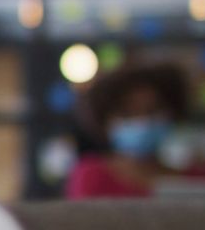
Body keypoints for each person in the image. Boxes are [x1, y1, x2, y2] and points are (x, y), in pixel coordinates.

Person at [67, 63, 196, 199]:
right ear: (105, 121)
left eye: (153, 111)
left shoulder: (197, 179)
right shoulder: (91, 176)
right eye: (127, 114)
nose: (142, 122)